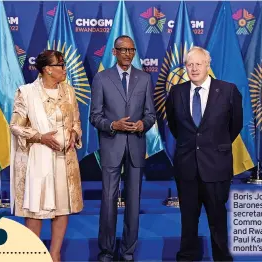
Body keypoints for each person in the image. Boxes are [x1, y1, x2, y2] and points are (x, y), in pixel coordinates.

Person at [165, 46, 243, 262]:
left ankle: (222, 258)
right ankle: (187, 258)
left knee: (217, 220)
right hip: (187, 167)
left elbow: (235, 125)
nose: (194, 68)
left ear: (208, 65)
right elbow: (174, 126)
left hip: (216, 166)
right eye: (189, 64)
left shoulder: (228, 90)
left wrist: (215, 145)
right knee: (188, 220)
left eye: (198, 64)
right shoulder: (177, 92)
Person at [9, 50, 83, 262]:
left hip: (64, 159)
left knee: (62, 207)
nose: (64, 69)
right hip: (37, 158)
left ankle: (55, 254)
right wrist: (40, 137)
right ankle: (34, 255)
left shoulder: (69, 91)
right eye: (60, 65)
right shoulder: (26, 93)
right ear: (47, 69)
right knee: (36, 209)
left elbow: (77, 122)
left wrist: (73, 134)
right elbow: (15, 126)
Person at [90, 35, 156, 262]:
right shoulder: (101, 78)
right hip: (112, 146)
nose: (128, 54)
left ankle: (128, 253)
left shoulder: (145, 78)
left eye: (131, 50)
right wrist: (112, 125)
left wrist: (142, 124)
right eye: (123, 50)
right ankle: (106, 252)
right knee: (108, 200)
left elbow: (151, 114)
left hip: (136, 147)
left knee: (134, 202)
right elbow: (95, 116)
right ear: (114, 52)